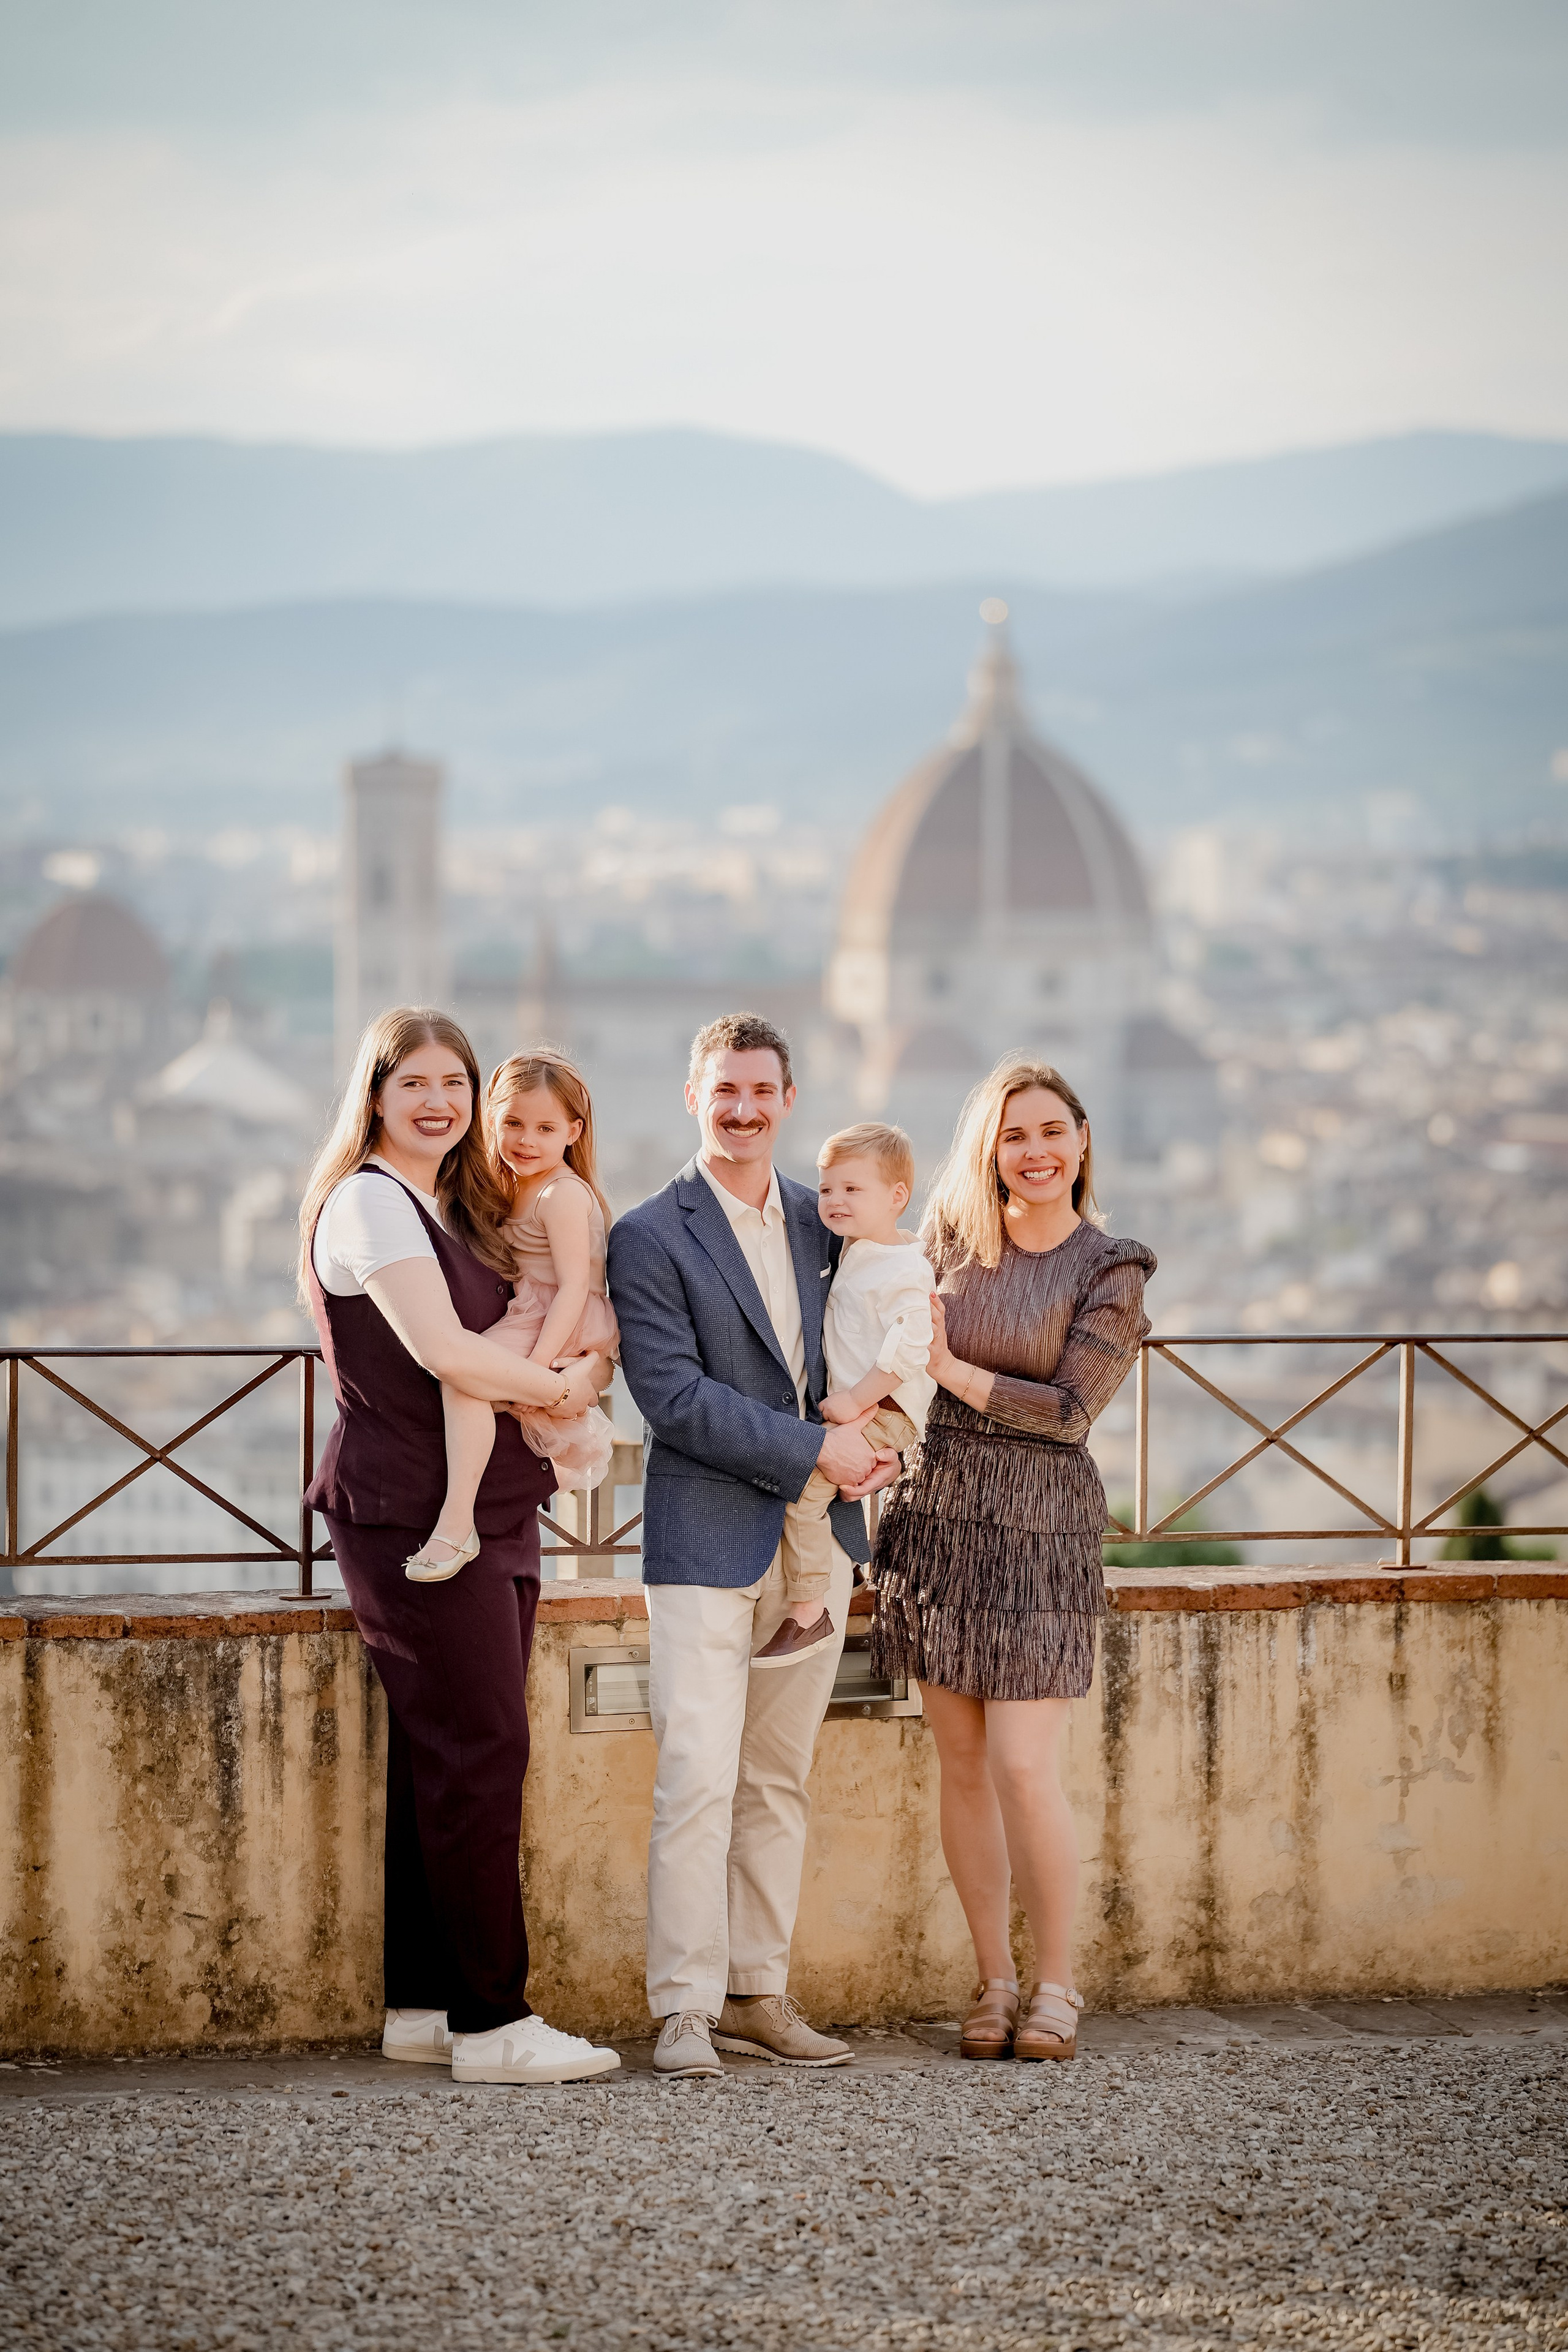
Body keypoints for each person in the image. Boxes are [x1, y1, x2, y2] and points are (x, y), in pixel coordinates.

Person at [299, 1005, 620, 2086]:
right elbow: (444, 1353)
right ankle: (494, 2024)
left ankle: (424, 2006)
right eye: (415, 1085)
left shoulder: (446, 1202)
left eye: (454, 1083)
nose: (438, 1102)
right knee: (484, 1752)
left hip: (486, 1512)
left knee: (443, 1757)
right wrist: (568, 1386)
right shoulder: (370, 1207)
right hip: (412, 1515)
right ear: (376, 1097)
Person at [606, 1011, 902, 2077]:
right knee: (695, 1776)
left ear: (786, 1101)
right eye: (723, 1090)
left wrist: (881, 1442)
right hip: (703, 1537)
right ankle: (683, 2008)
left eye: (761, 1092)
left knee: (777, 1780)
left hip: (814, 1544)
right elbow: (673, 1400)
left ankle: (757, 1994)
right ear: (694, 1096)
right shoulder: (647, 1234)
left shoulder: (826, 1221)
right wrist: (817, 1456)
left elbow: (883, 1341)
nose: (741, 1108)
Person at [870, 1057, 1154, 2065]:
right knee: (960, 1765)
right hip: (935, 1516)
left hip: (1042, 1530)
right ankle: (992, 1978)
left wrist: (951, 1371)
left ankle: (1058, 1983)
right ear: (989, 1150)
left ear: (1082, 1140)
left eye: (1050, 1132)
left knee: (1026, 1767)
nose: (1034, 1152)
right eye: (1013, 1135)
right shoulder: (943, 1244)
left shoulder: (1112, 1267)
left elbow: (1072, 1414)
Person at [404, 1049, 618, 1583]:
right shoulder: (512, 1184)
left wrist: (541, 1368)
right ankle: (473, 1517)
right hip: (534, 1311)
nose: (527, 1140)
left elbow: (572, 1287)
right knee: (467, 1388)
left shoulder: (562, 1193)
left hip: (556, 1316)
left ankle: (457, 1523)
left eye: (545, 1128)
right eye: (513, 1124)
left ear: (573, 1131)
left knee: (464, 1382)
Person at [750, 1121, 935, 1670]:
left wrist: (855, 1401)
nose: (833, 1200)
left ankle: (809, 1610)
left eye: (853, 1189)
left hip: (885, 1407)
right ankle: (834, 1580)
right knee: (818, 1482)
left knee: (803, 1485)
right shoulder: (861, 1250)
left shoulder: (904, 1266)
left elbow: (912, 1350)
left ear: (897, 1197)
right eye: (827, 1188)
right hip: (871, 1404)